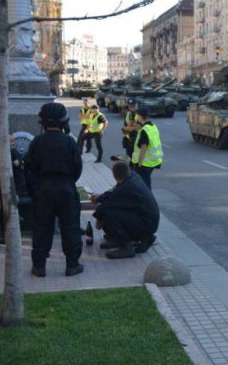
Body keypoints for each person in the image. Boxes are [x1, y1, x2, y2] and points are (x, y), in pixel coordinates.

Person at [25, 102, 83, 277]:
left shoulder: (37, 142)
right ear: (63, 122)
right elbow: (77, 168)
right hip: (66, 188)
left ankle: (39, 266)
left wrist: (36, 190)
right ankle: (72, 265)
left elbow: (29, 169)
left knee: (42, 228)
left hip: (44, 189)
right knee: (70, 227)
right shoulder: (70, 142)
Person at [93, 161, 160, 259]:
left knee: (108, 214)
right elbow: (113, 192)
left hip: (146, 224)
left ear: (114, 175)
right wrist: (99, 198)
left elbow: (106, 205)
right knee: (113, 211)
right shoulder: (133, 177)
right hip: (150, 221)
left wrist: (98, 219)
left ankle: (126, 248)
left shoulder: (126, 187)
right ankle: (145, 238)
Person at [131, 107, 163, 190]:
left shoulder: (144, 130)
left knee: (145, 185)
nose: (137, 118)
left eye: (138, 116)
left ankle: (148, 201)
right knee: (146, 182)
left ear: (141, 117)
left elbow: (143, 149)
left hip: (145, 163)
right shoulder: (153, 127)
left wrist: (139, 164)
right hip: (154, 161)